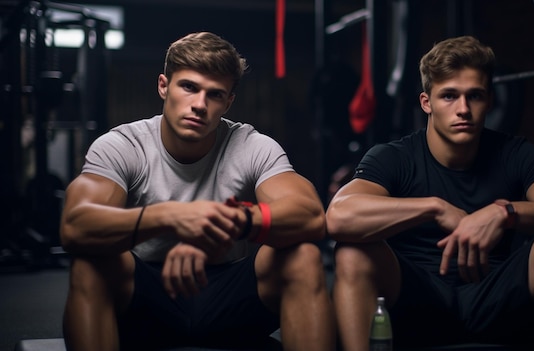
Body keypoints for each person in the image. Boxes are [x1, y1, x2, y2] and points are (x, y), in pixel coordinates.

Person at [326, 35, 534, 351]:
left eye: (474, 96)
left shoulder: (514, 153)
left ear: (489, 100)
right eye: (449, 96)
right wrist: (434, 207)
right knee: (352, 253)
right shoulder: (394, 157)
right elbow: (339, 217)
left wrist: (505, 212)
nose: (463, 109)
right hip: (418, 302)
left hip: (496, 298)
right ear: (426, 102)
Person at [60, 31, 335, 351]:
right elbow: (75, 226)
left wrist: (224, 221)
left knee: (303, 256)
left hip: (230, 299)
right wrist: (170, 215)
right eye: (189, 87)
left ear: (229, 102)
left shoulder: (250, 145)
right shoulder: (124, 145)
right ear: (164, 85)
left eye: (215, 94)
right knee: (91, 263)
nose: (200, 105)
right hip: (146, 299)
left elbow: (310, 216)